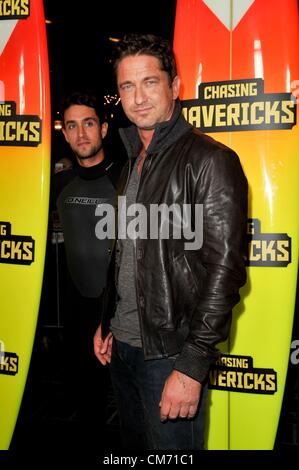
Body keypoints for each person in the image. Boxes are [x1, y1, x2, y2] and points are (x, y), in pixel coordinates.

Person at [94, 33, 248, 450]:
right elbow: (127, 253)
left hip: (170, 356)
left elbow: (225, 272)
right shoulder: (130, 162)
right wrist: (107, 321)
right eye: (127, 86)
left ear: (175, 87)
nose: (138, 97)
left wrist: (192, 366)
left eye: (150, 82)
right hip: (122, 346)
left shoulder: (210, 160)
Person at [51, 90, 122, 446]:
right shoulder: (58, 184)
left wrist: (112, 318)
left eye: (89, 123)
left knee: (133, 415)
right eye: (72, 126)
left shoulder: (126, 180)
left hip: (121, 315)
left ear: (104, 129)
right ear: (64, 133)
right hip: (76, 316)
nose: (81, 134)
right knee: (88, 415)